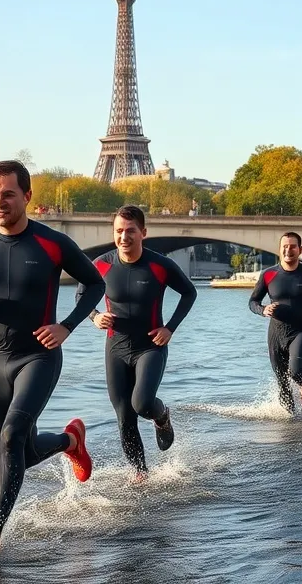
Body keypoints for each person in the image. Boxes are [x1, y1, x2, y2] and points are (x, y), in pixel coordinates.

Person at [0, 160, 104, 568]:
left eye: (8, 194)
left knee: (12, 437)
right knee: (18, 450)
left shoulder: (52, 243)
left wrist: (66, 326)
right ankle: (70, 442)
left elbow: (96, 283)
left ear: (27, 196)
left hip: (39, 355)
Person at [79, 205, 197, 480]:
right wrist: (94, 316)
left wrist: (170, 328)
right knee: (124, 415)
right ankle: (140, 473)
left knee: (141, 403)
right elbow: (81, 297)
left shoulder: (160, 265)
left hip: (150, 346)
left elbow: (189, 294)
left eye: (130, 231)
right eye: (119, 231)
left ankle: (162, 416)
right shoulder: (101, 264)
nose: (124, 237)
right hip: (116, 347)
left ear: (143, 233)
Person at [249, 232, 302, 413]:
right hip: (276, 333)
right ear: (279, 250)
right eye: (284, 246)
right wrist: (263, 310)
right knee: (282, 382)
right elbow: (252, 302)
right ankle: (290, 425)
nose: (288, 250)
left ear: (300, 249)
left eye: (293, 246)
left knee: (296, 372)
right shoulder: (268, 275)